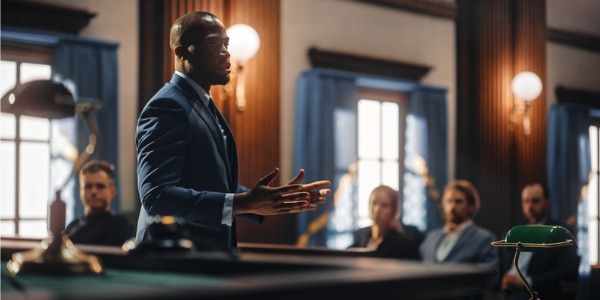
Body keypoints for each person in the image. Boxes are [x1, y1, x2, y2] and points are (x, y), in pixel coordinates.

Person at [135, 11, 331, 253]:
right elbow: (157, 196)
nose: (226, 53)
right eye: (211, 44)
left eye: (226, 44)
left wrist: (270, 199)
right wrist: (242, 202)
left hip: (207, 254)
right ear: (181, 52)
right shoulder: (168, 105)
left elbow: (207, 183)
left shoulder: (201, 103)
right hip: (172, 257)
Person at [501, 182, 580, 300]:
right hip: (508, 292)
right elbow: (500, 264)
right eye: (526, 201)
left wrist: (529, 281)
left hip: (539, 292)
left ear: (547, 202)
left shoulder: (560, 231)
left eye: (535, 201)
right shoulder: (512, 230)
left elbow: (569, 270)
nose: (530, 206)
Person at [419, 180, 499, 290]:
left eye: (458, 202)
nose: (452, 207)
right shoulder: (431, 238)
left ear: (471, 206)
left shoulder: (485, 239)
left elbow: (490, 278)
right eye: (449, 201)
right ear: (443, 204)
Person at [63, 160, 134, 246]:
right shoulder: (72, 228)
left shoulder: (121, 226)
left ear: (112, 192)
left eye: (100, 186)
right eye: (88, 186)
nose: (93, 191)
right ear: (81, 192)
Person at [349, 185, 422, 260]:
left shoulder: (405, 245)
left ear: (394, 211)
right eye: (374, 203)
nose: (377, 210)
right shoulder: (361, 236)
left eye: (384, 206)